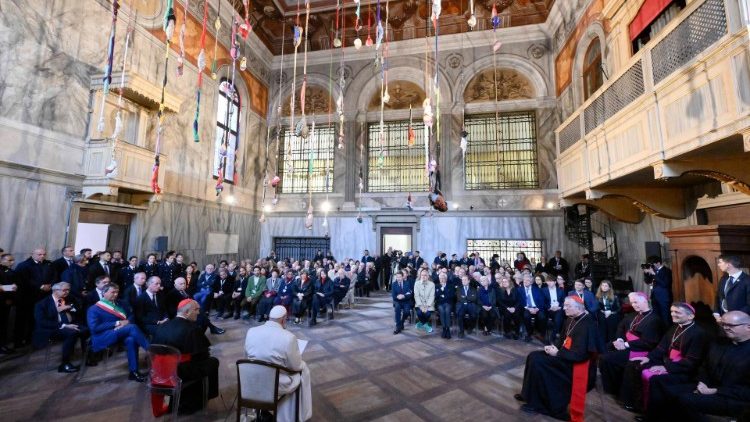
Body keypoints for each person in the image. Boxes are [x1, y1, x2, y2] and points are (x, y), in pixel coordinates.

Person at [642, 310, 750, 421]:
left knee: (685, 400)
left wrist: (715, 391)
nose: (726, 328)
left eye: (731, 325)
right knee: (661, 385)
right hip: (707, 386)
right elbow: (705, 366)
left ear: (748, 327)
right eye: (723, 324)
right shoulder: (719, 343)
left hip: (733, 397)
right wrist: (702, 383)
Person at [515, 296, 602, 420]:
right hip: (566, 356)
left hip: (575, 364)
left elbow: (581, 355)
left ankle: (537, 404)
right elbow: (561, 339)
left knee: (539, 362)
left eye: (568, 306)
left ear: (578, 308)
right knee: (533, 356)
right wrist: (553, 347)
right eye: (564, 305)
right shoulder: (570, 319)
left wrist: (557, 354)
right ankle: (528, 394)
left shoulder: (588, 324)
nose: (564, 308)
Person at [621, 302, 710, 413]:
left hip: (683, 370)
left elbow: (691, 362)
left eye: (677, 312)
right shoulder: (674, 327)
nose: (673, 314)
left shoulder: (699, 333)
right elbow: (661, 347)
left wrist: (666, 367)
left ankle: (652, 414)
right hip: (667, 362)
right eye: (672, 311)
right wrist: (649, 358)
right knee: (635, 365)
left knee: (655, 380)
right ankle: (636, 405)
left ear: (690, 316)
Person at [151, 299, 220, 415]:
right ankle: (205, 396)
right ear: (187, 312)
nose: (198, 312)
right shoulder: (193, 329)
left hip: (159, 370)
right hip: (179, 373)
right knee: (213, 361)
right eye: (196, 310)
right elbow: (202, 355)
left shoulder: (163, 326)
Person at [244, 305, 312, 421]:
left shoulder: (251, 331)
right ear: (284, 319)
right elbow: (295, 367)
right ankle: (289, 416)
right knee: (303, 372)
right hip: (274, 383)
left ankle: (264, 410)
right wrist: (302, 363)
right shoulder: (289, 338)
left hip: (252, 379)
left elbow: (247, 356)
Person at [599, 292, 663, 396]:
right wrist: (619, 340)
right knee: (603, 350)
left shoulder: (654, 319)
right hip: (625, 344)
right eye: (632, 303)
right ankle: (613, 384)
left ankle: (614, 389)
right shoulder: (633, 314)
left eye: (636, 302)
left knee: (607, 358)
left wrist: (625, 344)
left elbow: (648, 343)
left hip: (639, 350)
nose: (633, 305)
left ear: (645, 301)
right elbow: (621, 326)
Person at [87, 283, 150, 381]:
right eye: (113, 292)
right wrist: (116, 323)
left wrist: (126, 322)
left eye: (117, 292)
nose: (115, 294)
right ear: (104, 293)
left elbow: (131, 315)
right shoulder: (94, 309)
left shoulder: (121, 303)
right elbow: (94, 328)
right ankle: (152, 351)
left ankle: (133, 372)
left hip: (121, 333)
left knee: (131, 339)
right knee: (132, 328)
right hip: (104, 335)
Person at [32, 282, 90, 372]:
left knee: (86, 330)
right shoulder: (42, 304)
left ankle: (87, 357)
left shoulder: (70, 298)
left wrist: (71, 308)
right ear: (55, 291)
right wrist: (63, 324)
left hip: (70, 323)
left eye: (68, 290)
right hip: (53, 328)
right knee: (71, 333)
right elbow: (42, 322)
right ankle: (65, 364)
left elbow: (78, 310)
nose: (67, 292)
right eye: (64, 290)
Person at [713, 254, 749, 319]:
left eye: (720, 262)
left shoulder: (747, 280)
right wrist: (716, 313)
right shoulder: (723, 279)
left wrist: (734, 317)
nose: (718, 265)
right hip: (722, 319)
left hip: (739, 321)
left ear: (728, 264)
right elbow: (718, 297)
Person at [643, 256, 672, 324]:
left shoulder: (666, 271)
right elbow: (647, 282)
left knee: (665, 317)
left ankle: (667, 333)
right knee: (656, 317)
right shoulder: (654, 271)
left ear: (658, 263)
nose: (651, 266)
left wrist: (654, 274)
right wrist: (646, 273)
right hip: (654, 297)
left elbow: (665, 284)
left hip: (664, 298)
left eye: (652, 264)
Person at [519, 274, 545, 342]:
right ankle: (529, 333)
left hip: (537, 307)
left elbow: (542, 300)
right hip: (527, 308)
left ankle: (542, 334)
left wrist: (537, 309)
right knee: (526, 316)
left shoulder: (537, 289)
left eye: (528, 280)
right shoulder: (520, 290)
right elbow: (520, 301)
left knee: (542, 317)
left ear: (531, 282)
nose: (525, 281)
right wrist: (528, 308)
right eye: (524, 280)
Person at [541, 274, 566, 341]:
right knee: (542, 317)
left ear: (555, 282)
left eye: (551, 281)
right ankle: (544, 334)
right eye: (547, 281)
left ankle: (554, 335)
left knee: (558, 319)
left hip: (558, 309)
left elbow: (564, 301)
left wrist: (559, 307)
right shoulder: (543, 290)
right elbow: (542, 301)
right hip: (548, 309)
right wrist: (549, 307)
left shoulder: (560, 290)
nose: (549, 283)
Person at [414, 269, 436, 334]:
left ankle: (421, 323)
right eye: (422, 275)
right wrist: (421, 306)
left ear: (428, 276)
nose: (423, 277)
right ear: (420, 276)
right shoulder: (417, 283)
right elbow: (416, 296)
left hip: (429, 305)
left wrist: (427, 306)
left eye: (425, 275)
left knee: (427, 313)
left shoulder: (432, 284)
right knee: (419, 313)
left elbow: (432, 296)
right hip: (419, 304)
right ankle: (426, 325)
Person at [435, 273, 454, 339]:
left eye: (443, 278)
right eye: (440, 278)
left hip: (448, 303)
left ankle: (448, 329)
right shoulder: (436, 286)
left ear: (446, 279)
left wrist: (444, 291)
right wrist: (441, 290)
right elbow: (436, 296)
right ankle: (444, 328)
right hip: (440, 303)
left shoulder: (450, 286)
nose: (442, 280)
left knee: (447, 310)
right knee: (442, 311)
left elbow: (451, 296)